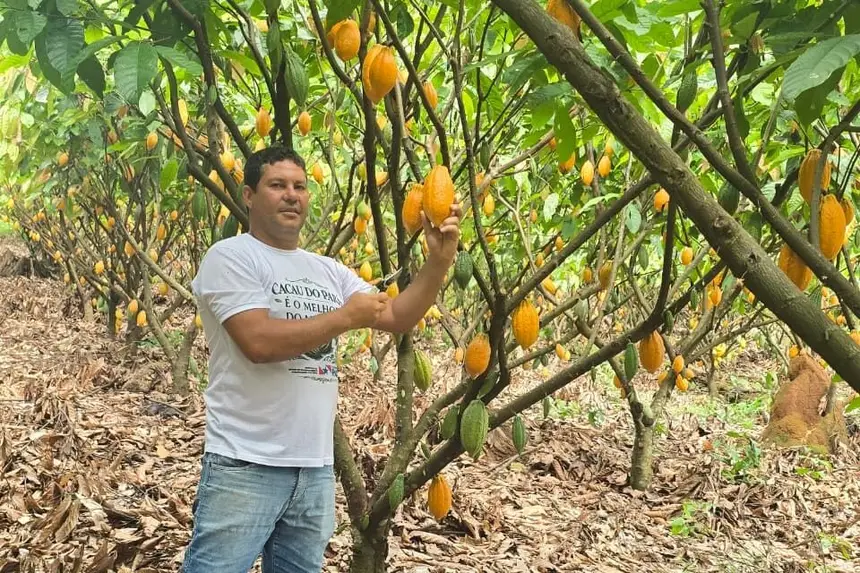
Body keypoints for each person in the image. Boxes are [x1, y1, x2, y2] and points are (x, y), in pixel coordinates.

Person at [183, 145, 461, 573]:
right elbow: (257, 343)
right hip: (246, 464)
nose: (291, 195)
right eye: (277, 185)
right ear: (249, 195)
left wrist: (438, 261)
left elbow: (396, 316)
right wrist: (344, 317)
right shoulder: (231, 257)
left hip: (313, 469)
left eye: (299, 186)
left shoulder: (328, 270)